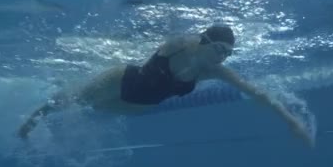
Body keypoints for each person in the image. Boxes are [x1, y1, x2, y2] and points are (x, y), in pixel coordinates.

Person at [17, 25, 314, 147]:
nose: (222, 57)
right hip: (119, 80)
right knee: (74, 100)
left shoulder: (217, 72)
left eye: (228, 53)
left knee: (89, 110)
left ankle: (57, 102)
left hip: (134, 106)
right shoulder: (180, 44)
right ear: (203, 41)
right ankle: (31, 120)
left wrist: (291, 120)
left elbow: (256, 93)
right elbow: (161, 25)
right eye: (219, 49)